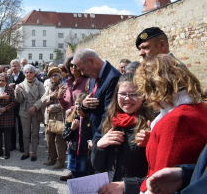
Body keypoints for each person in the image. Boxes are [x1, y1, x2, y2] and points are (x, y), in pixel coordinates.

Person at [133, 54, 207, 192]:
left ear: (159, 86)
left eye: (147, 90)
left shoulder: (177, 120)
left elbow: (161, 183)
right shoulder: (199, 107)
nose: (146, 97)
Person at [91, 72, 154, 194]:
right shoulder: (110, 120)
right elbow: (97, 166)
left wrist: (127, 186)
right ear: (116, 95)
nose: (127, 98)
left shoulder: (150, 125)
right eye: (123, 94)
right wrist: (99, 146)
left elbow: (156, 174)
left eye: (134, 94)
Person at [74, 48, 121, 141]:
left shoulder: (113, 77)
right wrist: (84, 105)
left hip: (104, 138)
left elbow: (109, 114)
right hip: (95, 135)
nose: (82, 73)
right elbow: (93, 103)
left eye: (82, 69)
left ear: (91, 61)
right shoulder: (94, 76)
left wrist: (96, 140)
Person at [14, 64, 45, 161]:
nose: (28, 74)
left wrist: (35, 107)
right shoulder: (21, 85)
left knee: (35, 133)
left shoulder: (40, 84)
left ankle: (34, 152)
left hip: (36, 110)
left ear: (34, 73)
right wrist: (17, 91)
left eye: (30, 72)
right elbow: (19, 100)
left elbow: (43, 98)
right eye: (26, 72)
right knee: (25, 133)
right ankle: (26, 152)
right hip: (25, 110)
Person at [41, 67, 66, 169]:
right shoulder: (48, 87)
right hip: (48, 118)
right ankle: (52, 158)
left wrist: (53, 107)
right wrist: (50, 97)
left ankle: (60, 161)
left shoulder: (64, 87)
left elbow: (66, 104)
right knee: (49, 139)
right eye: (51, 76)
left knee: (59, 141)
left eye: (55, 75)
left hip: (59, 118)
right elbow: (42, 100)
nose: (53, 77)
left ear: (60, 76)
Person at [62, 93, 92, 180]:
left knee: (83, 176)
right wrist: (72, 129)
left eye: (80, 104)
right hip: (72, 152)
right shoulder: (71, 118)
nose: (78, 106)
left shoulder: (90, 120)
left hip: (85, 154)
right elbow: (65, 137)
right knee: (74, 175)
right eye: (76, 104)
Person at [8, 59, 26, 152]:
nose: (14, 68)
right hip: (12, 105)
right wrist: (9, 87)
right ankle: (13, 144)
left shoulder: (23, 76)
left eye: (15, 66)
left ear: (19, 66)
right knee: (12, 126)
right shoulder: (9, 77)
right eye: (12, 66)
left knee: (21, 126)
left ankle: (22, 145)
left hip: (21, 104)